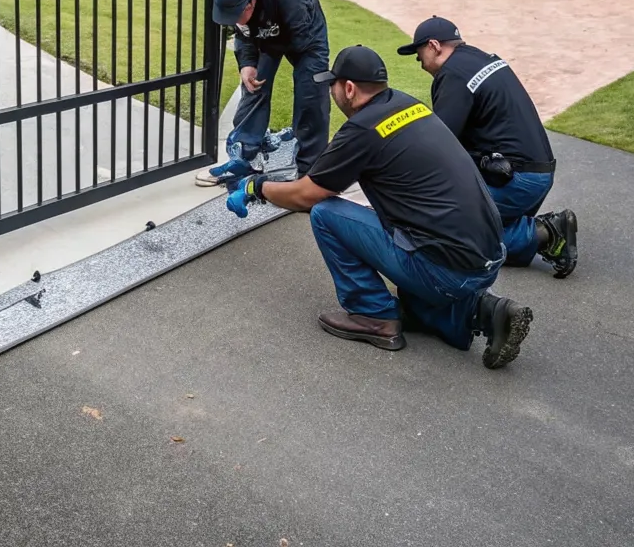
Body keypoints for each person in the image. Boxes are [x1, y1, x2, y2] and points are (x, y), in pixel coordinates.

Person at [225, 45, 533, 370]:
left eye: (332, 85)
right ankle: (488, 312)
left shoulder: (362, 130)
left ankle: (374, 316)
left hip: (448, 272)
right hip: (486, 258)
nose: (331, 92)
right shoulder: (409, 105)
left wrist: (254, 187)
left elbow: (306, 195)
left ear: (348, 88)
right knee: (412, 291)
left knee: (326, 214)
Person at [397, 17, 577, 279]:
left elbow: (440, 144)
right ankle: (521, 235)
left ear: (434, 46)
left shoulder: (453, 75)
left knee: (436, 227)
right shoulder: (481, 58)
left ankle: (545, 232)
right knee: (486, 245)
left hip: (516, 181)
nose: (419, 62)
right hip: (534, 173)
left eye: (419, 53)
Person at [196, 0, 330, 187]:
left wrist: (264, 47)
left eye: (239, 14)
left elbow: (298, 43)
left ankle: (310, 171)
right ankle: (244, 158)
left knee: (311, 91)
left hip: (305, 32)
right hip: (264, 30)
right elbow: (244, 31)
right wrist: (247, 63)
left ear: (252, 1)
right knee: (253, 84)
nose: (235, 20)